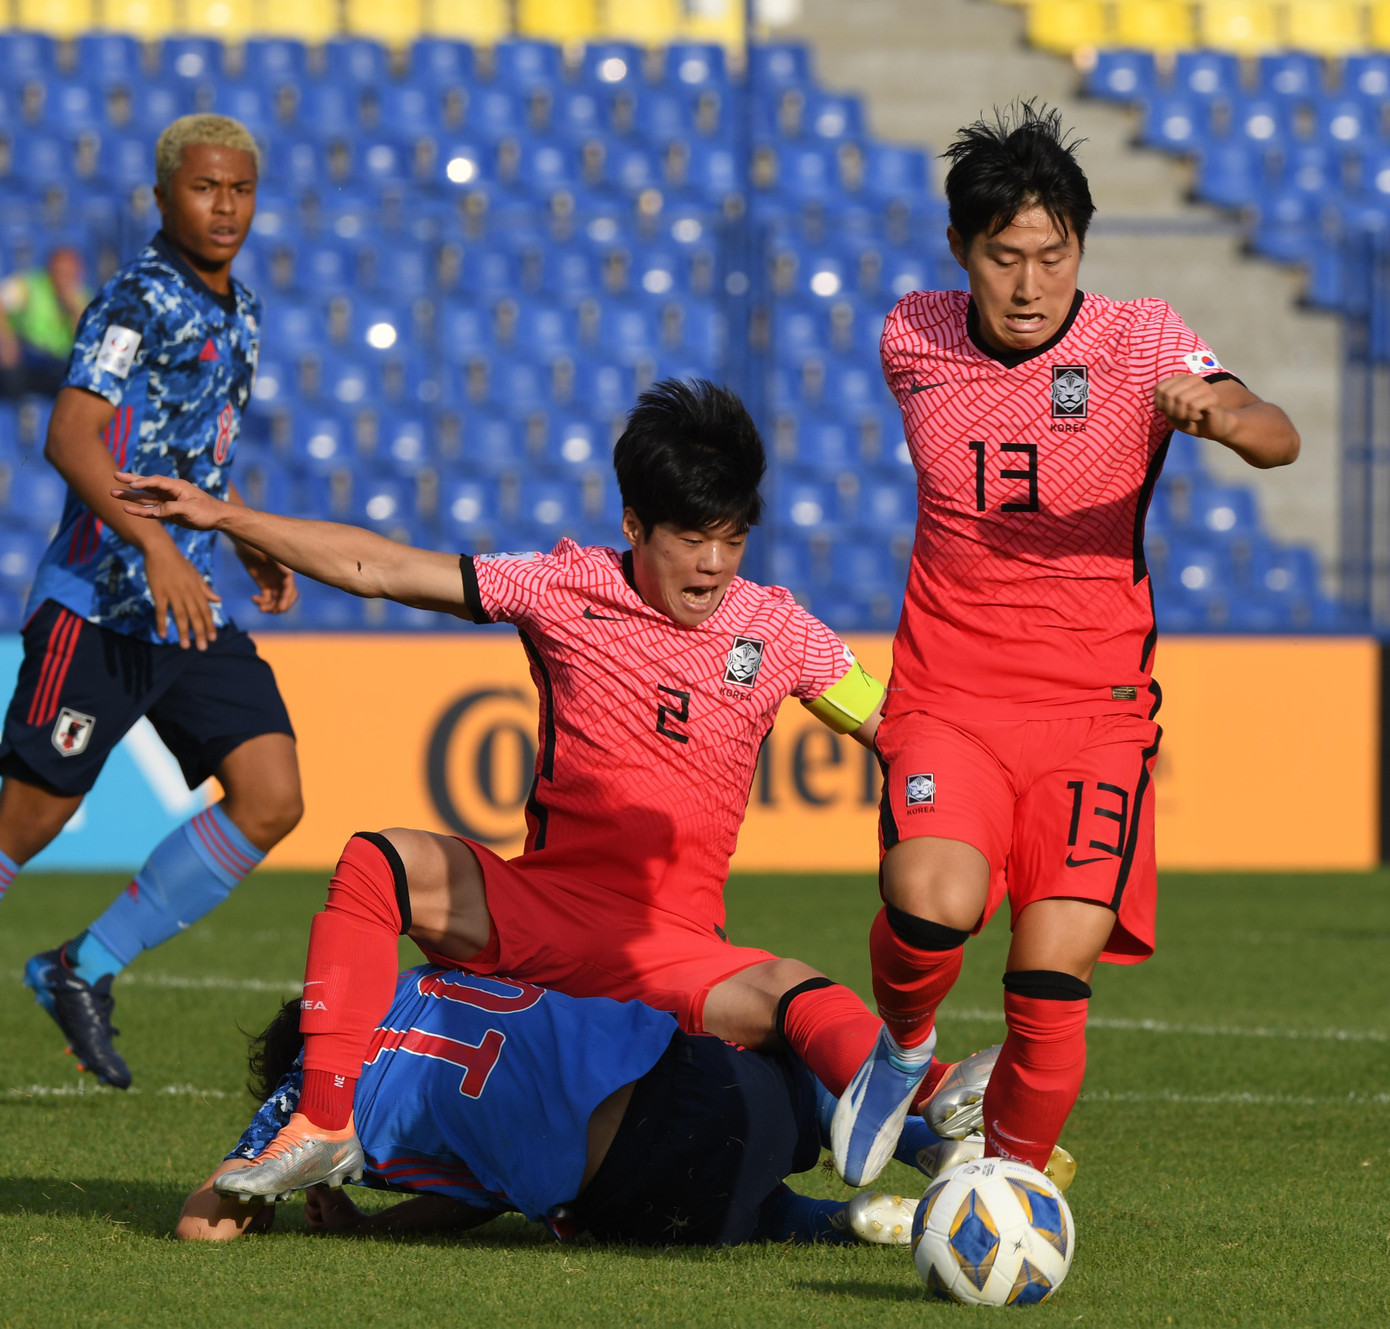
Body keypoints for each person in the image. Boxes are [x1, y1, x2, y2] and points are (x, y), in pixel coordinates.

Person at [112, 378, 982, 1198]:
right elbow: (385, 568)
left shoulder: (782, 629)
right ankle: (324, 1120)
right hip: (545, 909)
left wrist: (945, 808)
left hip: (667, 944)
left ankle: (947, 1119)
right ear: (635, 524)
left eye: (733, 536)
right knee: (377, 862)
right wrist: (230, 516)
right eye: (690, 537)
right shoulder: (569, 587)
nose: (714, 564)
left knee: (797, 996)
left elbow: (896, 730)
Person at [832, 101, 1301, 1186]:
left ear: (1081, 248)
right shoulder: (913, 335)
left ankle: (1002, 1191)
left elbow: (1276, 434)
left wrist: (1227, 416)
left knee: (1050, 975)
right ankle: (903, 1051)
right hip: (951, 695)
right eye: (1004, 257)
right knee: (932, 906)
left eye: (1054, 254)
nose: (1031, 283)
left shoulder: (1140, 340)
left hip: (1094, 718)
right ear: (960, 253)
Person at [0, 114, 303, 1091]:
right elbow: (73, 437)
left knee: (272, 797)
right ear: (166, 195)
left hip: (182, 607)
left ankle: (79, 966)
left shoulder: (240, 310)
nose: (226, 207)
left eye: (241, 189)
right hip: (98, 603)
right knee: (28, 824)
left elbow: (194, 453)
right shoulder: (135, 299)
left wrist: (246, 534)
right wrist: (158, 548)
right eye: (206, 188)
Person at [178, 963, 1002, 1246]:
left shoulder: (316, 1099)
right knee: (783, 1020)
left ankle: (823, 1221)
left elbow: (201, 1222)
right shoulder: (425, 976)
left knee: (594, 1200)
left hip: (641, 1198)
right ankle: (920, 1131)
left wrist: (334, 1212)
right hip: (702, 1086)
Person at [0, 246, 90, 399]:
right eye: (59, 272)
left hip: (58, 365)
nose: (63, 278)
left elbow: (85, 342)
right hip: (27, 358)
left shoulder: (85, 299)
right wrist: (6, 338)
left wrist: (72, 308)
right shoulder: (29, 286)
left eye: (68, 273)